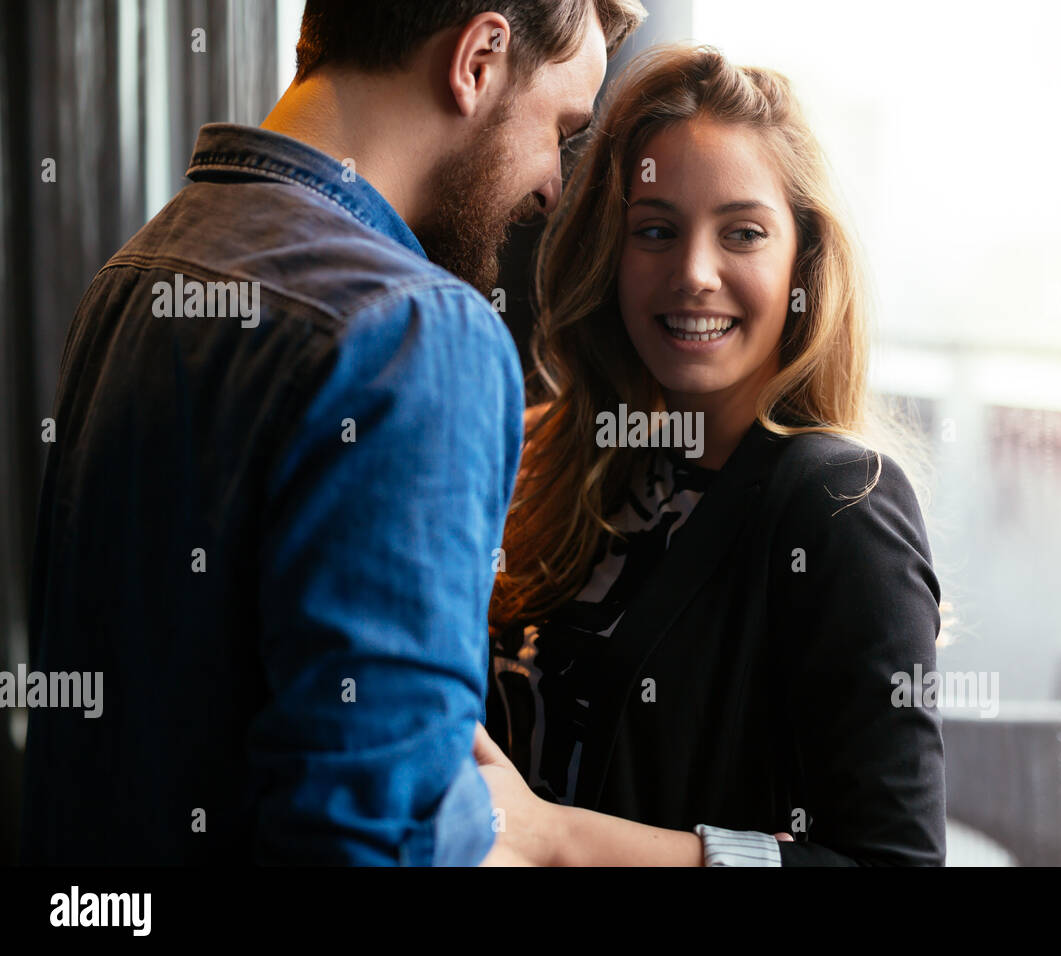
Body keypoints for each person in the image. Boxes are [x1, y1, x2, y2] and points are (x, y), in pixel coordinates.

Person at [19, 0, 645, 866]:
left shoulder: (137, 271)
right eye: (560, 127)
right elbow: (375, 841)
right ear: (478, 59)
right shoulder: (418, 331)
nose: (551, 184)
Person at [481, 43, 948, 866]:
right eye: (654, 231)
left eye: (742, 233)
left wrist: (559, 840)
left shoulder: (840, 504)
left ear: (803, 259)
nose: (694, 273)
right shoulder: (550, 450)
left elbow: (893, 863)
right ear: (609, 256)